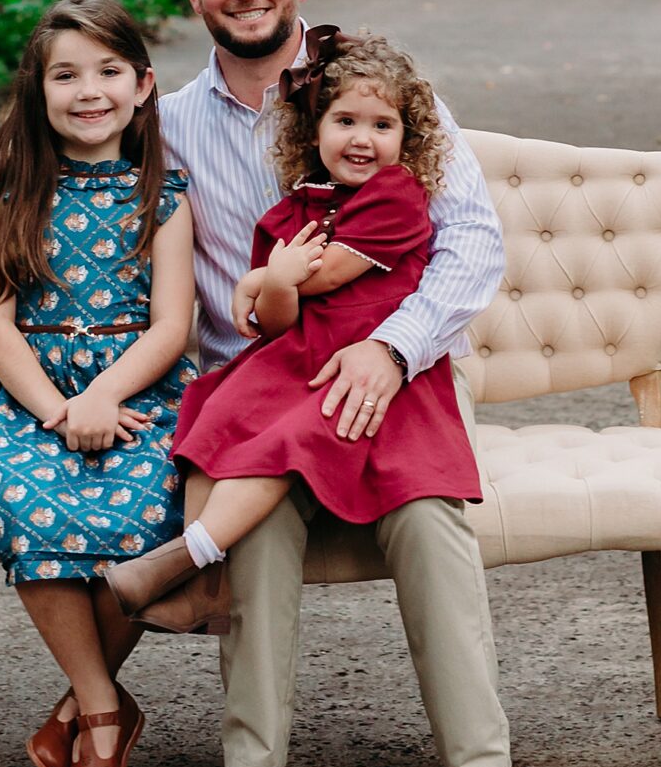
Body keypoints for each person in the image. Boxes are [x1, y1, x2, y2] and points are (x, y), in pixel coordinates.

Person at [0, 0, 530, 767]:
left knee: (428, 519)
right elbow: (59, 214)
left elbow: (471, 243)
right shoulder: (163, 126)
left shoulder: (378, 101)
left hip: (397, 366)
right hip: (257, 384)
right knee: (253, 531)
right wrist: (25, 391)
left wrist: (392, 349)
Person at [101, 31, 485, 629]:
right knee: (211, 416)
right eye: (346, 121)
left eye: (382, 126)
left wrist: (263, 279)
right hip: (291, 353)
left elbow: (325, 275)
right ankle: (209, 584)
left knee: (281, 444)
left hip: (344, 361)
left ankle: (188, 555)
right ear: (315, 130)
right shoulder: (302, 203)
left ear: (408, 139)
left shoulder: (396, 198)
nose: (362, 138)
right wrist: (270, 287)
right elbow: (271, 321)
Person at [0, 0, 197, 767]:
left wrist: (103, 394)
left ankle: (77, 713)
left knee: (148, 506)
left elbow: (173, 324)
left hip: (137, 392)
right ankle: (102, 711)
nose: (87, 90)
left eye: (107, 71)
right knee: (22, 499)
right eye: (66, 74)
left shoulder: (164, 190)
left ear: (143, 86)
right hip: (29, 395)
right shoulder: (14, 181)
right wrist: (59, 410)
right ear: (39, 89)